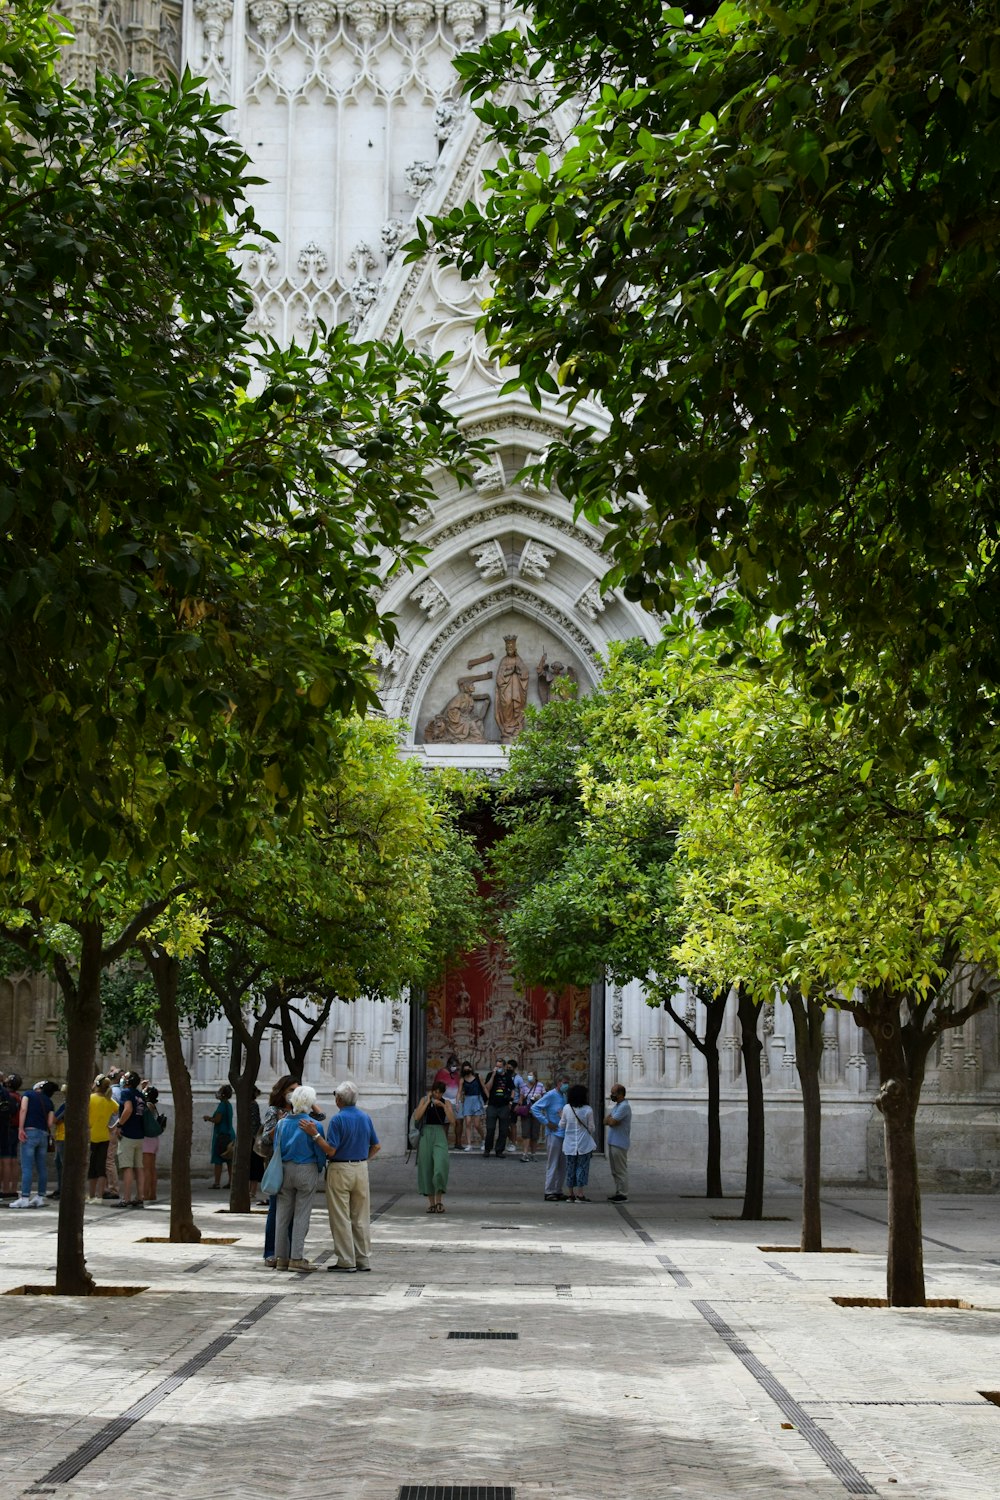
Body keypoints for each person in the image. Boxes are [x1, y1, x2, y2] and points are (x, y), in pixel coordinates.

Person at [300, 1080, 380, 1273]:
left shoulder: (338, 1119)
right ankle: (363, 1259)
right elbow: (376, 1146)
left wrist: (315, 1135)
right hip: (360, 1168)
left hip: (340, 1169)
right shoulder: (365, 1117)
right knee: (360, 1216)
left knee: (341, 1216)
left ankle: (346, 1260)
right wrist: (362, 1161)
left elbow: (331, 1150)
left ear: (339, 1099)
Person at [271, 1085, 327, 1271]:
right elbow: (320, 1153)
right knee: (302, 1215)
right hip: (306, 1169)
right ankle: (296, 1257)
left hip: (285, 1170)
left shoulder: (282, 1123)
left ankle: (281, 1258)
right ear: (310, 1103)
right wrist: (319, 1168)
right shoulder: (314, 1125)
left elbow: (276, 1149)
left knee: (282, 1216)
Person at [12, 1080, 57, 1208]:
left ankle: (25, 1197)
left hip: (29, 1132)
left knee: (27, 1166)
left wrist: (20, 1128)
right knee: (42, 1167)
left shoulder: (28, 1094)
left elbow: (23, 1109)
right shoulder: (49, 1102)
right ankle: (40, 1196)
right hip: (43, 1135)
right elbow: (49, 1123)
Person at [413, 1079, 454, 1213]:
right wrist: (427, 1102)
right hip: (426, 1134)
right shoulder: (424, 1100)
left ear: (443, 1093)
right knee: (426, 1168)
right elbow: (417, 1117)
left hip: (439, 1133)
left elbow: (453, 1121)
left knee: (440, 1166)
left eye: (439, 1093)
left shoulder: (446, 1102)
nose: (437, 1095)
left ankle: (439, 1201)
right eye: (435, 1092)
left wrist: (442, 1106)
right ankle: (431, 1203)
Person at [532, 1076, 569, 1201]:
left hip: (564, 1133)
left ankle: (558, 1190)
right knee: (553, 1162)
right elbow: (535, 1108)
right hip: (554, 1133)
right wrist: (546, 1122)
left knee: (563, 1164)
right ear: (558, 1083)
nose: (566, 1085)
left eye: (568, 1083)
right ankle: (549, 1190)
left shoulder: (564, 1096)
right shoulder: (550, 1095)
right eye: (564, 1082)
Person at [559, 1083, 597, 1202]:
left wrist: (561, 1116)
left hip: (569, 1144)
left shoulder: (566, 1108)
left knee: (570, 1168)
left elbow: (561, 1125)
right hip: (584, 1144)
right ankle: (580, 1194)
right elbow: (592, 1128)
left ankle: (571, 1194)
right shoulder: (588, 1110)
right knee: (582, 1168)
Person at [116, 1070, 146, 1207]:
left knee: (127, 1167)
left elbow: (127, 1109)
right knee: (139, 1167)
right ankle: (140, 1197)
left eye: (125, 1077)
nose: (122, 1079)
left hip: (127, 1134)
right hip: (139, 1135)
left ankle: (126, 1198)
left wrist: (119, 1124)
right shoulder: (140, 1095)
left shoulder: (126, 1093)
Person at [88, 1075, 118, 1204]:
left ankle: (91, 1195)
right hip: (105, 1136)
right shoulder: (110, 1102)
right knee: (101, 1168)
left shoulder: (90, 1099)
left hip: (91, 1136)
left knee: (92, 1168)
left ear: (96, 1085)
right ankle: (99, 1196)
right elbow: (118, 1113)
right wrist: (113, 1127)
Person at [604, 1083, 632, 1202]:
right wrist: (611, 1119)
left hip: (619, 1142)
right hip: (613, 1141)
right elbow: (606, 1120)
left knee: (620, 1169)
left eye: (613, 1093)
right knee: (615, 1170)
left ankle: (623, 1193)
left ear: (620, 1094)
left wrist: (611, 1120)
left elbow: (612, 1122)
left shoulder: (624, 1107)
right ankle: (618, 1191)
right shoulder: (617, 1106)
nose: (611, 1095)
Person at [204, 1083, 235, 1189]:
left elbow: (217, 1119)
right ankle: (231, 1182)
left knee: (218, 1159)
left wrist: (208, 1118)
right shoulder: (229, 1105)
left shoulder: (222, 1105)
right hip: (230, 1135)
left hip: (221, 1135)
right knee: (229, 1160)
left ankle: (217, 1182)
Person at [483, 1057, 515, 1157]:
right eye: (497, 1066)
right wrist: (493, 1075)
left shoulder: (508, 1076)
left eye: (500, 1067)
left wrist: (510, 1102)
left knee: (503, 1129)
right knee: (490, 1128)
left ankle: (499, 1150)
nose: (498, 1068)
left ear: (504, 1067)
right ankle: (487, 1149)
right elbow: (487, 1088)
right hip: (492, 1105)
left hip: (504, 1106)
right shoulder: (490, 1075)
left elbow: (513, 1089)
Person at [142, 1085, 166, 1203]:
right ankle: (152, 1193)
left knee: (146, 1169)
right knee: (152, 1168)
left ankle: (145, 1194)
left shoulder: (147, 1106)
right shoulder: (153, 1106)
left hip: (147, 1140)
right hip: (154, 1139)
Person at [432, 1054, 462, 1148]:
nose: (455, 1067)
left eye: (456, 1065)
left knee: (459, 1121)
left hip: (456, 1101)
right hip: (445, 1100)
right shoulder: (441, 1072)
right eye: (453, 1065)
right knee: (446, 1123)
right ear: (448, 1064)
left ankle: (458, 1143)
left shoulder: (457, 1074)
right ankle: (444, 1143)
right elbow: (436, 1086)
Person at [0, 1073, 22, 1198]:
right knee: (13, 1159)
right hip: (14, 1129)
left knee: (5, 1159)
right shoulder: (18, 1096)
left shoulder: (7, 1096)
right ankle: (12, 1188)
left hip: (6, 1129)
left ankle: (5, 1189)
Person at [516, 1072, 545, 1162]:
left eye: (532, 1075)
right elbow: (521, 1098)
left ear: (535, 1076)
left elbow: (545, 1097)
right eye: (529, 1075)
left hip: (536, 1113)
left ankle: (533, 1154)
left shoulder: (540, 1085)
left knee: (535, 1134)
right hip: (526, 1112)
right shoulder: (524, 1086)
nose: (530, 1077)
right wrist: (519, 1105)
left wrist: (539, 1098)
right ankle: (525, 1154)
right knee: (526, 1133)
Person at [457, 1062, 484, 1150]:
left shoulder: (477, 1076)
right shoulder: (462, 1079)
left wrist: (488, 1099)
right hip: (467, 1100)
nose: (467, 1070)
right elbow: (459, 1091)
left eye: (468, 1068)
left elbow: (483, 1087)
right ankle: (469, 1144)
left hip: (477, 1099)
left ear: (471, 1068)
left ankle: (483, 1139)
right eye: (465, 1069)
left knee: (477, 1124)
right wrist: (457, 1102)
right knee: (467, 1123)